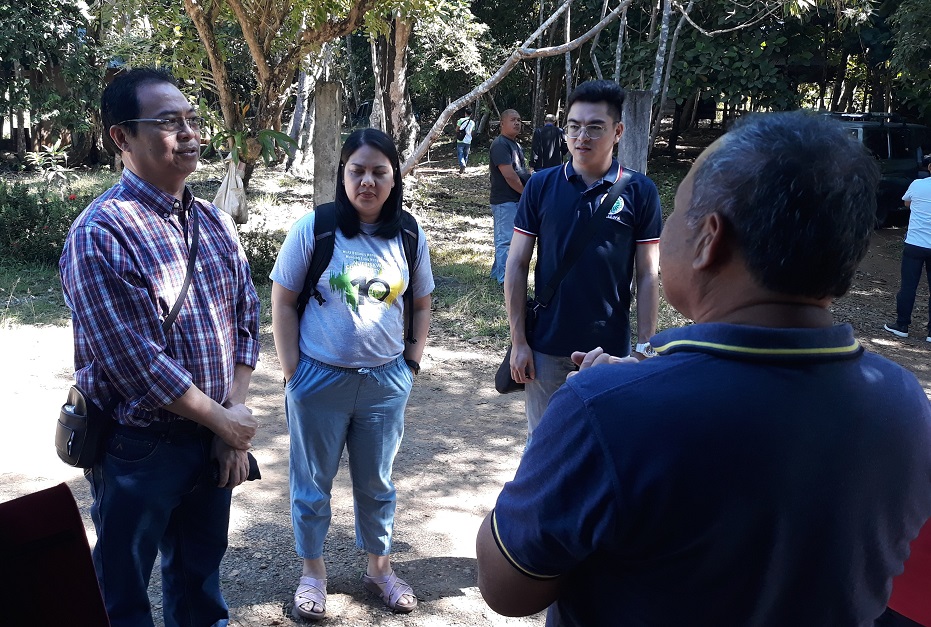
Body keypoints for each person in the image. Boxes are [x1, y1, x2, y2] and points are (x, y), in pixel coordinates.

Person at [476, 111, 931, 626]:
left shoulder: (606, 411)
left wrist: (576, 427)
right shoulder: (904, 405)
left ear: (709, 238)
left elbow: (505, 588)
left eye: (676, 212)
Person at [59, 67, 261, 627]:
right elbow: (136, 364)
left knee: (199, 584)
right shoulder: (101, 233)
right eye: (169, 122)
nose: (189, 133)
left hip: (213, 441)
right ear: (121, 137)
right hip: (139, 448)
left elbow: (246, 319)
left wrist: (230, 420)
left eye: (191, 119)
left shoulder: (214, 222)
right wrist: (225, 423)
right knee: (120, 596)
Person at [270, 128, 434, 620]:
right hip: (318, 382)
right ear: (342, 174)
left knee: (378, 484)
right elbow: (282, 301)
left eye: (379, 172)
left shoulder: (409, 234)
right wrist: (293, 372)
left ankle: (379, 570)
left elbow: (421, 304)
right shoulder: (314, 229)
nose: (367, 182)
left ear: (394, 177)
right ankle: (313, 574)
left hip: (385, 383)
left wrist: (410, 364)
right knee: (311, 484)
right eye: (357, 171)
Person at [505, 80, 661, 440]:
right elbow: (516, 264)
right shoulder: (541, 186)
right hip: (545, 348)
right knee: (544, 446)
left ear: (617, 132)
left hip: (610, 351)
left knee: (604, 447)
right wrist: (519, 342)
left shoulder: (639, 191)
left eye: (595, 127)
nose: (581, 137)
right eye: (574, 127)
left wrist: (644, 348)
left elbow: (648, 274)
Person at [884, 156, 931, 341]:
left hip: (915, 244)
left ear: (929, 167)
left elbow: (907, 203)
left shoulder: (917, 184)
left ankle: (902, 325)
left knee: (908, 286)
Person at [489, 109, 530, 284]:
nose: (517, 123)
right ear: (502, 124)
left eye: (519, 120)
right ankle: (505, 280)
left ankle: (496, 273)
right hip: (504, 200)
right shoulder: (500, 145)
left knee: (509, 239)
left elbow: (520, 171)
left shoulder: (515, 145)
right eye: (513, 120)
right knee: (505, 240)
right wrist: (526, 194)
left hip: (515, 199)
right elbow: (510, 176)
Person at [455, 108, 476, 174]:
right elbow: (472, 132)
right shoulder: (472, 122)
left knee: (460, 154)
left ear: (465, 113)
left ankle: (462, 164)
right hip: (468, 140)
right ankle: (464, 167)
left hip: (460, 140)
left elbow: (457, 129)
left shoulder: (461, 120)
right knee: (466, 154)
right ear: (471, 114)